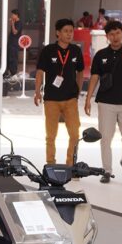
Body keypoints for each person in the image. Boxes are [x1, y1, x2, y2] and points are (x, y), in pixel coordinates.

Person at [85, 20, 122, 183]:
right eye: (111, 34)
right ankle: (107, 171)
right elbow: (94, 77)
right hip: (106, 103)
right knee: (105, 138)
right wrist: (88, 98)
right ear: (107, 36)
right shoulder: (101, 55)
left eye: (117, 33)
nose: (115, 37)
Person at [34, 18, 85, 165]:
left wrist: (78, 90)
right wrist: (37, 91)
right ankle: (50, 163)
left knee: (75, 134)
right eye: (66, 31)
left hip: (70, 99)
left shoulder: (76, 50)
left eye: (71, 31)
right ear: (58, 33)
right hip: (51, 99)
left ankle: (71, 164)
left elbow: (80, 71)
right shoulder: (48, 50)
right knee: (51, 136)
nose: (69, 34)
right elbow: (40, 72)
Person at [6, 9, 22, 78]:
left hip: (14, 44)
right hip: (11, 43)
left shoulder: (19, 23)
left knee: (13, 58)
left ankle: (13, 73)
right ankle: (8, 72)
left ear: (16, 15)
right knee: (9, 57)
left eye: (13, 14)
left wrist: (12, 23)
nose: (11, 16)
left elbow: (15, 32)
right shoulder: (15, 22)